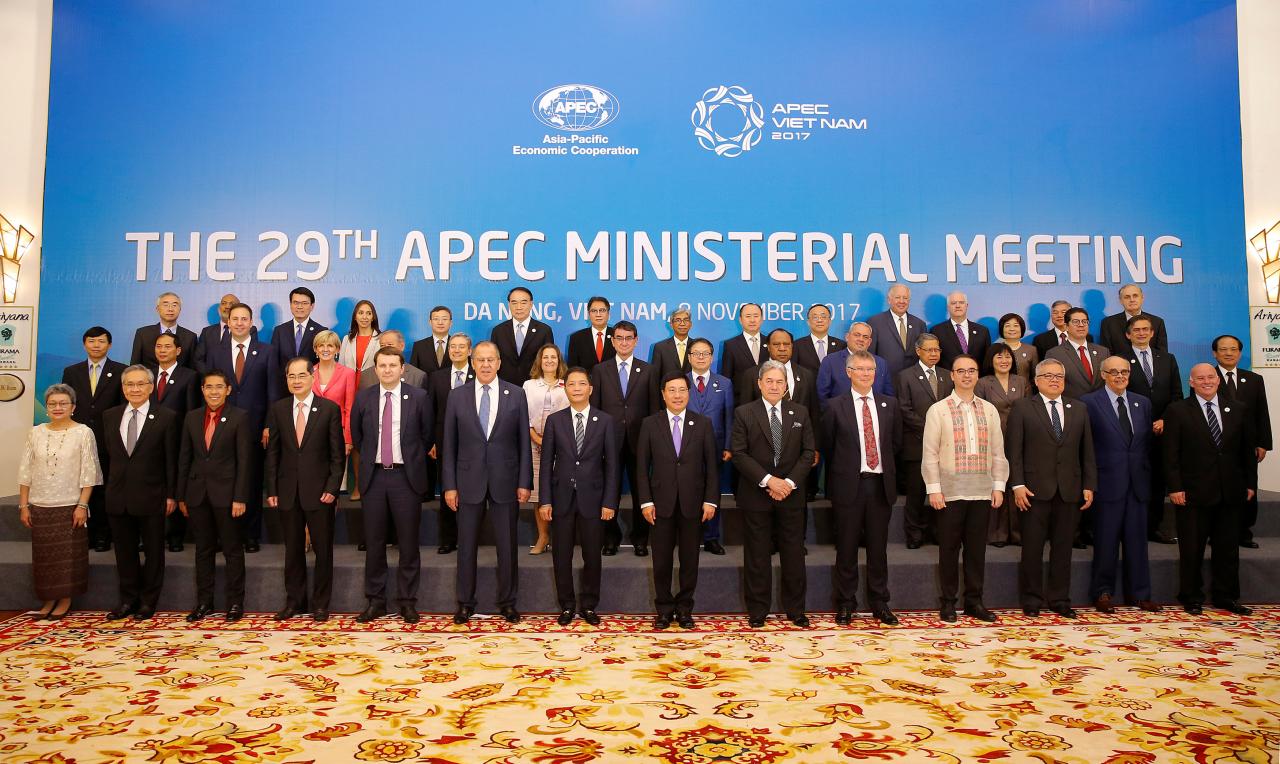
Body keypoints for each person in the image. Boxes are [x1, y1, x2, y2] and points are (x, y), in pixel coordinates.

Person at [443, 341, 532, 625]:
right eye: (479, 359)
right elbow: (449, 444)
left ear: (499, 363)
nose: (484, 364)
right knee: (466, 546)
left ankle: (508, 602)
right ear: (472, 362)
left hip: (506, 480)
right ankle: (465, 603)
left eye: (490, 359)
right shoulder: (457, 396)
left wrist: (524, 482)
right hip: (467, 481)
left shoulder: (516, 395)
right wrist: (449, 485)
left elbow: (523, 444)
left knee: (507, 545)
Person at [1164, 363, 1256, 616]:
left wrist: (1250, 484)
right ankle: (1191, 596)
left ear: (1218, 380)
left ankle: (1226, 597)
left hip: (1231, 491)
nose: (1206, 381)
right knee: (1192, 548)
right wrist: (1175, 487)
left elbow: (1246, 451)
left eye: (1210, 377)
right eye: (1200, 378)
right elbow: (1170, 454)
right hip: (1192, 493)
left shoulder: (1238, 409)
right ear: (1190, 382)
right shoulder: (1177, 410)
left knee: (1228, 549)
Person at [1007, 359, 1096, 618]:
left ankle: (1059, 599)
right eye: (1048, 376)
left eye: (1059, 376)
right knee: (1032, 549)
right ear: (1036, 380)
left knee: (1063, 548)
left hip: (1069, 490)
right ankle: (1032, 600)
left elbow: (1087, 450)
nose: (1055, 380)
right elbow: (1014, 451)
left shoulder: (1079, 408)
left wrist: (1089, 484)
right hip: (1034, 490)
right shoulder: (1023, 407)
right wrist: (1017, 484)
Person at [922, 354, 1007, 622]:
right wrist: (934, 488)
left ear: (978, 375)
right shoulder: (939, 410)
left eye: (972, 370)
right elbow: (930, 453)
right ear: (952, 375)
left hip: (982, 491)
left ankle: (974, 602)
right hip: (949, 492)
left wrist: (999, 486)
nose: (967, 375)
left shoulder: (989, 409)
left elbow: (997, 452)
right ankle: (948, 602)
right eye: (961, 371)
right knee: (948, 549)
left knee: (976, 550)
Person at [351, 348, 433, 623]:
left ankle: (407, 601)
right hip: (374, 478)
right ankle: (376, 601)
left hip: (405, 478)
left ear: (402, 368)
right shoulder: (363, 398)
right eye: (382, 366)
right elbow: (358, 437)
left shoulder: (419, 397)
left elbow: (426, 435)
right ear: (375, 369)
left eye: (392, 365)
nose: (387, 370)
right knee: (374, 543)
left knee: (408, 543)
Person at [821, 350, 902, 626]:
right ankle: (846, 604)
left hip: (880, 486)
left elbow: (895, 445)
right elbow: (829, 447)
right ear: (848, 372)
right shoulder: (834, 406)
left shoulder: (890, 405)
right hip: (848, 487)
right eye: (860, 369)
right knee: (846, 549)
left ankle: (880, 602)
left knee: (879, 550)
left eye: (870, 369)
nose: (866, 374)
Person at [731, 361, 815, 628]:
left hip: (791, 495)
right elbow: (740, 454)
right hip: (757, 495)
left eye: (780, 382)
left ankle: (796, 609)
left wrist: (787, 483)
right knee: (757, 555)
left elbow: (808, 452)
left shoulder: (800, 412)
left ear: (786, 385)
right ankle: (758, 610)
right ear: (759, 383)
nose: (774, 386)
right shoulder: (744, 412)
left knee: (793, 554)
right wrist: (769, 481)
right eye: (769, 381)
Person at [266, 358, 346, 622]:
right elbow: (273, 454)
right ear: (286, 379)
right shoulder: (278, 409)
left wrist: (333, 488)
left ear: (312, 378)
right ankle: (294, 602)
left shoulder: (329, 409)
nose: (297, 381)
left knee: (323, 551)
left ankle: (321, 604)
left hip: (320, 492)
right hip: (288, 491)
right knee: (292, 551)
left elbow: (337, 455)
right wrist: (272, 488)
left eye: (302, 375)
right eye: (291, 376)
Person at [538, 367, 620, 626]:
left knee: (592, 555)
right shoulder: (555, 421)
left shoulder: (605, 421)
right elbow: (546, 462)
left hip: (593, 500)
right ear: (565, 388)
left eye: (581, 384)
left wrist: (609, 502)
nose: (576, 388)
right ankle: (566, 605)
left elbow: (612, 466)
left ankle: (588, 605)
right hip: (561, 497)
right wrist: (545, 500)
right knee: (561, 554)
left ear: (590, 389)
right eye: (571, 384)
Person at [637, 373, 719, 629]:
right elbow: (641, 467)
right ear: (663, 394)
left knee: (689, 559)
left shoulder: (703, 423)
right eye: (671, 390)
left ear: (689, 393)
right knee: (660, 559)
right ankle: (663, 608)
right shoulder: (650, 424)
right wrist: (646, 502)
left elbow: (712, 468)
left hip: (693, 503)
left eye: (682, 390)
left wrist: (711, 501)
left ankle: (684, 608)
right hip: (659, 504)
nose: (677, 395)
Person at [1082, 357, 1161, 614]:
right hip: (1107, 483)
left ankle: (1140, 594)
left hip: (1138, 483)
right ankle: (1103, 593)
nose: (1120, 376)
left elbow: (1146, 444)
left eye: (1124, 372)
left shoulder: (1143, 403)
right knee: (1105, 541)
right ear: (1103, 374)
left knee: (1138, 542)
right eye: (1113, 372)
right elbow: (1087, 447)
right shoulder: (1089, 402)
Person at [17, 384, 101, 620]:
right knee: (44, 558)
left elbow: (89, 473)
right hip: (40, 505)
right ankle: (48, 600)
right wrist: (24, 505)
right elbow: (26, 470)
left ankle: (64, 600)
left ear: (73, 407)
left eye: (63, 403)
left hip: (70, 506)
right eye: (53, 403)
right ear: (46, 407)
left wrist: (82, 505)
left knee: (68, 558)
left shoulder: (83, 432)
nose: (57, 407)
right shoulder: (36, 432)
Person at [102, 365, 179, 621]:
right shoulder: (110, 416)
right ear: (123, 388)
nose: (134, 389)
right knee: (124, 553)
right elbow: (107, 458)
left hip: (152, 495)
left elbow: (171, 460)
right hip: (118, 496)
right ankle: (127, 600)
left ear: (150, 387)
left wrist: (171, 495)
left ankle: (148, 602)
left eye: (140, 384)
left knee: (154, 552)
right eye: (129, 385)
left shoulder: (166, 416)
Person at [176, 370, 252, 622]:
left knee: (232, 550)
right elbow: (184, 458)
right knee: (203, 551)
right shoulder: (191, 417)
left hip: (228, 496)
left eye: (219, 387)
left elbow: (245, 462)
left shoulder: (239, 418)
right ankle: (204, 603)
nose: (214, 392)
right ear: (202, 389)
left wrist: (240, 497)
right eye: (209, 387)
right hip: (197, 495)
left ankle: (234, 603)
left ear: (228, 390)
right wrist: (182, 496)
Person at [590, 321, 660, 556]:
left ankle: (640, 539)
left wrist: (652, 442)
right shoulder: (600, 370)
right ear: (612, 340)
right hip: (609, 442)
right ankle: (610, 539)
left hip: (640, 441)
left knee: (643, 492)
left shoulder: (648, 370)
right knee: (610, 490)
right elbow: (595, 410)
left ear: (636, 340)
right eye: (619, 338)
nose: (623, 342)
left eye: (628, 338)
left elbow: (653, 410)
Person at [209, 302, 270, 553]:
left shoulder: (266, 350)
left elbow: (272, 392)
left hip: (255, 428)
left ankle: (251, 535)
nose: (240, 323)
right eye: (235, 319)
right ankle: (226, 535)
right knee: (225, 481)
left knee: (252, 481)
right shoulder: (216, 350)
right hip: (223, 427)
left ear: (251, 321)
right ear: (228, 322)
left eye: (244, 319)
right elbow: (211, 389)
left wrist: (268, 425)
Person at [62, 326, 125, 552]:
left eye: (101, 341)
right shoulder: (72, 371)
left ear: (109, 345)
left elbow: (123, 408)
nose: (96, 345)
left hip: (108, 440)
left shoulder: (121, 371)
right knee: (78, 487)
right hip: (77, 439)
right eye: (91, 341)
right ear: (84, 344)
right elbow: (66, 403)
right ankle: (82, 533)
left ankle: (102, 534)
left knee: (104, 489)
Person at [1121, 316, 1183, 544]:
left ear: (1152, 333)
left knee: (1157, 483)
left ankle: (1153, 527)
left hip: (1162, 431)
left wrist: (1165, 420)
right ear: (1128, 335)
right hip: (1131, 432)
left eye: (1145, 329)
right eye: (1136, 330)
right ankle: (1130, 528)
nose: (1141, 333)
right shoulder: (1120, 360)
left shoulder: (1167, 359)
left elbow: (1177, 395)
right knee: (1131, 481)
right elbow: (1118, 395)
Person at [1212, 334, 1272, 549]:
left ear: (1239, 352)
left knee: (1248, 488)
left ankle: (1244, 533)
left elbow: (1261, 413)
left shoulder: (1254, 379)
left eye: (1233, 349)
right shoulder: (1208, 377)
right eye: (1224, 349)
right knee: (1218, 489)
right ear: (1215, 353)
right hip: (1216, 445)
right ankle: (1216, 533)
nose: (1229, 353)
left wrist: (1263, 443)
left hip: (1247, 446)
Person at [896, 333, 953, 549]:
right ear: (918, 351)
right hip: (916, 444)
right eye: (929, 350)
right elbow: (904, 408)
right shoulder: (905, 376)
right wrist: (931, 428)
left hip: (946, 446)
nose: (934, 354)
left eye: (937, 350)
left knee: (942, 493)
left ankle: (938, 533)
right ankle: (914, 534)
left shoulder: (948, 376)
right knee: (916, 494)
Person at [150, 332, 200, 553]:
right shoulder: (146, 374)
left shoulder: (189, 376)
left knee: (177, 484)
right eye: (159, 346)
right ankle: (150, 535)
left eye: (167, 347)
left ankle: (176, 536)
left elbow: (191, 411)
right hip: (149, 441)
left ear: (178, 351)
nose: (162, 350)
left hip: (178, 439)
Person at [685, 337, 734, 555]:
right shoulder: (681, 382)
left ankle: (712, 537)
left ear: (712, 357)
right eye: (696, 353)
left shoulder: (724, 383)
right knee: (689, 491)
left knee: (712, 491)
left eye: (705, 353)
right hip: (685, 447)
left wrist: (728, 445)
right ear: (689, 357)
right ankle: (691, 535)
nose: (701, 357)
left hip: (715, 446)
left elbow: (729, 417)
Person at [427, 333, 474, 554]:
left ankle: (469, 538)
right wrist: (433, 441)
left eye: (461, 347)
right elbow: (431, 413)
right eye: (453, 347)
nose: (456, 350)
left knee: (471, 493)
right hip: (445, 443)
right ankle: (449, 539)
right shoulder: (437, 377)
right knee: (448, 489)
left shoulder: (480, 375)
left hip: (474, 445)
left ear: (470, 351)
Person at [975, 344, 1026, 546]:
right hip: (993, 440)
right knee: (997, 485)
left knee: (1017, 484)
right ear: (991, 360)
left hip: (1020, 439)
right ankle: (997, 533)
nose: (1004, 361)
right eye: (999, 357)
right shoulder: (983, 383)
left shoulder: (1021, 381)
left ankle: (1017, 532)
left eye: (1007, 357)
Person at [525, 343, 569, 555]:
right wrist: (538, 439)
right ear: (539, 362)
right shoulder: (529, 385)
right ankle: (543, 536)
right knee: (539, 494)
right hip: (535, 446)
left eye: (554, 357)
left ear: (559, 361)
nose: (550, 361)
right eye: (545, 357)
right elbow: (523, 417)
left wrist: (554, 442)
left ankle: (560, 536)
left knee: (560, 492)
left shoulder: (567, 384)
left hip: (563, 448)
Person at [737, 328, 818, 414]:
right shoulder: (752, 375)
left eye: (786, 344)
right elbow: (745, 413)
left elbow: (814, 414)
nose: (782, 348)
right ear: (768, 347)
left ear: (792, 346)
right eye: (776, 344)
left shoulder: (807, 375)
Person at [267, 287, 327, 399]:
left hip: (312, 391)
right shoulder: (279, 331)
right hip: (284, 392)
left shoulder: (321, 331)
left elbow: (323, 364)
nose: (300, 306)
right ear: (290, 304)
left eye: (304, 303)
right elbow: (274, 364)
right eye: (296, 303)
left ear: (312, 306)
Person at [816, 322, 894, 407]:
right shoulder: (830, 361)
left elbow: (888, 396)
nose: (861, 339)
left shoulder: (881, 363)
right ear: (847, 337)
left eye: (865, 337)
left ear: (869, 342)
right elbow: (822, 395)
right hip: (841, 416)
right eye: (857, 335)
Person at [492, 286, 553, 385]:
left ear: (531, 304)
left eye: (523, 302)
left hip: (535, 386)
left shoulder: (544, 330)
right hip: (505, 385)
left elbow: (548, 360)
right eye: (514, 303)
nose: (519, 307)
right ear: (509, 305)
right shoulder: (498, 331)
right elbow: (493, 360)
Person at [1046, 307, 1109, 400]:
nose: (1081, 325)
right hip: (1073, 407)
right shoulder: (1055, 354)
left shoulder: (1103, 352)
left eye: (1084, 322)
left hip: (1101, 405)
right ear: (1066, 326)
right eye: (1076, 322)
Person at [130, 291, 198, 369]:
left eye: (174, 305)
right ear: (157, 309)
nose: (170, 309)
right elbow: (135, 365)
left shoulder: (190, 337)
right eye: (166, 305)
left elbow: (192, 369)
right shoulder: (143, 334)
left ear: (180, 309)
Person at [866, 284, 924, 375]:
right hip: (886, 378)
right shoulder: (875, 322)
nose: (902, 301)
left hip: (914, 380)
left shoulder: (919, 324)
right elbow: (870, 355)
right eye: (897, 297)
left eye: (905, 298)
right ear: (889, 300)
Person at [194, 293, 256, 373]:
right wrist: (210, 377)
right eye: (224, 303)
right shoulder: (207, 332)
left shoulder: (250, 330)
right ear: (219, 308)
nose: (227, 307)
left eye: (231, 304)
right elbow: (199, 359)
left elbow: (252, 359)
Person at [1099, 283, 1168, 354]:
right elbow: (1106, 354)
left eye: (1135, 296)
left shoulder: (1157, 322)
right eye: (1127, 297)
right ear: (1120, 300)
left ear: (1142, 298)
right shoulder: (1108, 323)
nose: (1132, 300)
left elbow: (1162, 354)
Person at [930, 291, 991, 370]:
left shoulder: (983, 331)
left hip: (977, 380)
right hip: (947, 380)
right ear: (948, 307)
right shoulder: (936, 331)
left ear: (967, 305)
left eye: (961, 302)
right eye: (953, 303)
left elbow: (988, 361)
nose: (958, 306)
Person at [719, 302, 765, 392]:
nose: (752, 320)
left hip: (768, 400)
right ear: (740, 320)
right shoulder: (731, 345)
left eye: (756, 316)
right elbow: (726, 379)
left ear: (762, 319)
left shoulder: (771, 343)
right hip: (741, 401)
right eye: (748, 316)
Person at [358, 330, 427, 389]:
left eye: (390, 345)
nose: (386, 348)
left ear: (402, 346)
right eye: (382, 345)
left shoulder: (418, 376)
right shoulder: (366, 375)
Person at [566, 296, 615, 371]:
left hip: (613, 382)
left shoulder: (617, 335)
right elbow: (573, 369)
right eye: (594, 311)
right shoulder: (576, 338)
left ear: (608, 314)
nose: (598, 314)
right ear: (589, 314)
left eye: (602, 310)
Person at [794, 303, 847, 372]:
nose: (819, 320)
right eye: (815, 317)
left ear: (830, 321)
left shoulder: (841, 345)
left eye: (823, 317)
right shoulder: (797, 345)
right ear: (808, 322)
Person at [649, 307, 694, 381]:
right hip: (669, 391)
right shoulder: (660, 348)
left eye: (686, 320)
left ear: (690, 324)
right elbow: (655, 378)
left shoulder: (697, 346)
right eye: (678, 320)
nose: (682, 323)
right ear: (671, 324)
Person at [408, 305, 454, 377]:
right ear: (430, 322)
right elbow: (413, 374)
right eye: (436, 319)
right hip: (425, 387)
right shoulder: (419, 346)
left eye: (444, 319)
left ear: (451, 323)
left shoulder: (458, 345)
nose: (440, 322)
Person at [338, 299, 382, 373]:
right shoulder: (347, 339)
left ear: (373, 317)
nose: (364, 317)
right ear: (355, 317)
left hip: (372, 383)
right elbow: (341, 366)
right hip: (349, 383)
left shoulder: (381, 339)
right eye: (361, 313)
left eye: (369, 313)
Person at [992, 313, 1038, 380]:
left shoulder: (1031, 350)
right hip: (999, 389)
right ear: (1002, 329)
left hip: (1025, 389)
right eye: (1007, 326)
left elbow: (1035, 376)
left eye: (1016, 326)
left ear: (1021, 328)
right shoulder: (994, 349)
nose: (1012, 329)